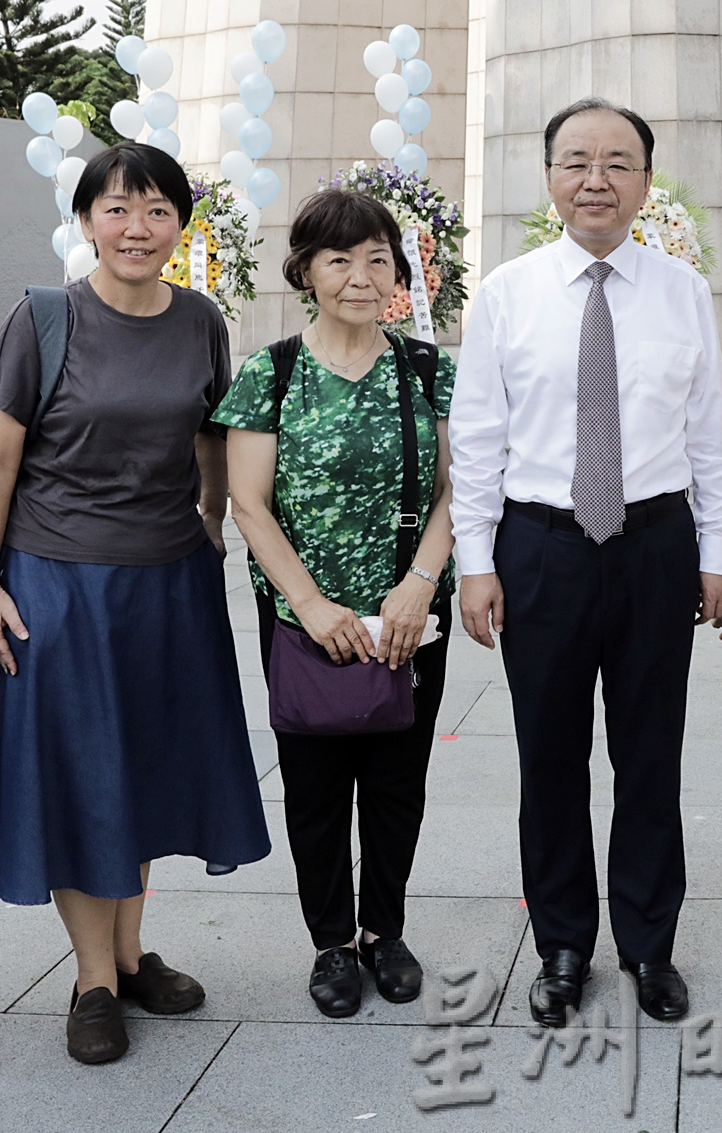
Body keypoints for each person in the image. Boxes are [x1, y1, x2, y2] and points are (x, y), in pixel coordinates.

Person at [0, 142, 271, 1064]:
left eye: (157, 211)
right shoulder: (44, 318)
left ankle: (131, 954)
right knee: (77, 776)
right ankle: (93, 977)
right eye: (116, 208)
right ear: (87, 218)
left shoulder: (202, 319)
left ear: (181, 223)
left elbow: (213, 433)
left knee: (138, 769)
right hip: (57, 582)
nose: (137, 228)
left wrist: (211, 517)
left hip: (169, 583)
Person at [449, 97, 722, 1027]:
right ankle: (565, 944)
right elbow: (479, 438)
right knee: (551, 757)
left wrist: (716, 551)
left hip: (655, 545)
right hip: (540, 549)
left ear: (645, 182)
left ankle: (649, 944)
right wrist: (474, 561)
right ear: (549, 179)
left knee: (650, 756)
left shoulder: (683, 291)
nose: (596, 179)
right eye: (577, 161)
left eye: (619, 162)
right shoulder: (507, 293)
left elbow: (710, 439)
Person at [214, 189, 459, 1019]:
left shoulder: (428, 369)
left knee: (399, 782)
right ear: (307, 271)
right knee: (316, 789)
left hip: (408, 616)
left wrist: (419, 579)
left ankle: (384, 930)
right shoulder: (271, 371)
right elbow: (248, 502)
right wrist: (313, 603)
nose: (361, 276)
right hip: (301, 618)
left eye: (377, 257)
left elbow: (460, 489)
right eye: (339, 258)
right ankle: (330, 941)